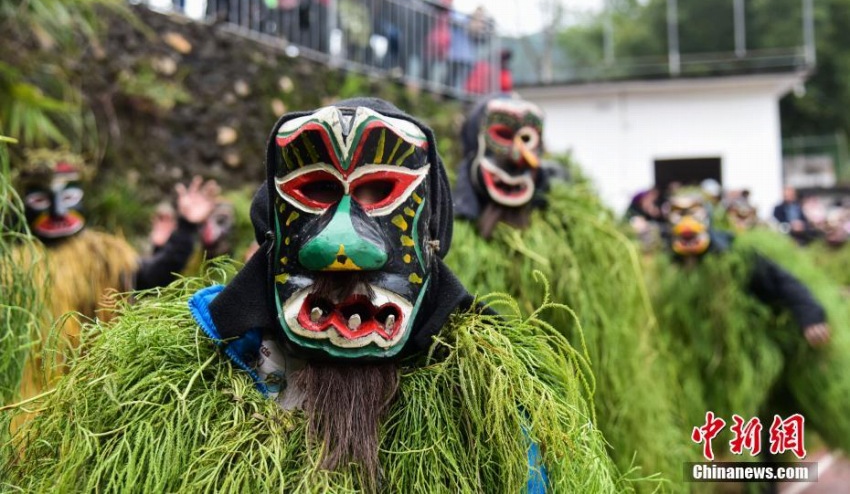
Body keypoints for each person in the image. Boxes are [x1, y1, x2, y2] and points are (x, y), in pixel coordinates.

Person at [3, 99, 626, 492]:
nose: (341, 246)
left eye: (382, 192)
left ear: (432, 233)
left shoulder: (485, 403)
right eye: (315, 192)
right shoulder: (174, 389)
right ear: (272, 228)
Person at [448, 93, 691, 488]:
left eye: (529, 139)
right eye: (503, 136)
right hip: (492, 404)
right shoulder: (454, 242)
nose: (519, 155)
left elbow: (602, 332)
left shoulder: (570, 235)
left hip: (571, 404)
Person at [649, 187, 850, 463]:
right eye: (677, 213)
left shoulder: (736, 254)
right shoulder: (666, 263)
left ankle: (764, 472)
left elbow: (783, 282)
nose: (686, 222)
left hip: (751, 354)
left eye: (693, 212)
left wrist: (810, 315)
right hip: (701, 356)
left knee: (758, 413)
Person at [13, 151, 220, 396]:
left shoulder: (103, 254)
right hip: (29, 391)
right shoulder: (12, 268)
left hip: (93, 384)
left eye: (68, 197)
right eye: (40, 200)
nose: (58, 211)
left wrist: (186, 227)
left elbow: (151, 279)